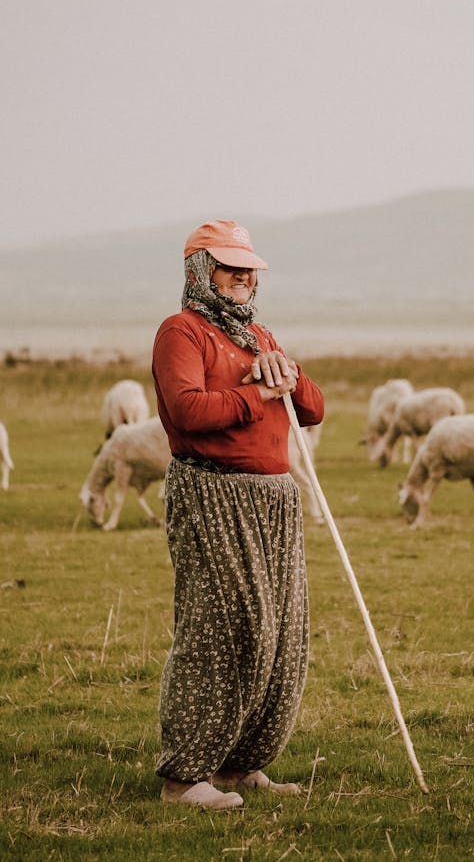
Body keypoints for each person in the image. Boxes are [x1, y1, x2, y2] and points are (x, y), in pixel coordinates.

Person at [151, 219, 325, 810]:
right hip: (214, 495)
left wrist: (290, 376)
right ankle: (184, 776)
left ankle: (239, 764)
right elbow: (188, 409)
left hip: (275, 501)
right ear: (201, 270)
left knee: (281, 636)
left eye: (248, 267)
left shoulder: (258, 335)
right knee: (223, 630)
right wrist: (259, 396)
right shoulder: (183, 331)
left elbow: (314, 410)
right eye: (230, 267)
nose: (244, 276)